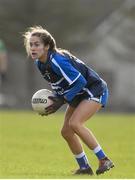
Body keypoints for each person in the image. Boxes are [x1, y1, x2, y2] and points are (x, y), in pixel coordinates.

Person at [23, 26, 114, 175]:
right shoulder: (40, 63)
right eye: (30, 44)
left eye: (37, 44)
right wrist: (56, 101)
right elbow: (60, 84)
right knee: (66, 131)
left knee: (75, 124)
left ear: (46, 46)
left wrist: (62, 100)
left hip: (94, 89)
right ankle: (85, 168)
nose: (32, 48)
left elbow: (80, 82)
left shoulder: (57, 60)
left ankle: (104, 159)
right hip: (79, 93)